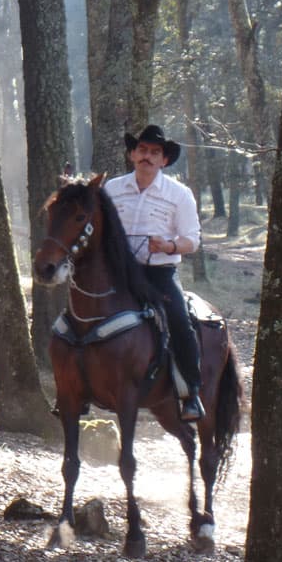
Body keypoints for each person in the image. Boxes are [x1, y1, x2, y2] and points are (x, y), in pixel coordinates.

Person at [104, 125, 205, 421]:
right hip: (118, 274)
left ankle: (190, 393)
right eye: (142, 150)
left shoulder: (179, 194)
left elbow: (193, 240)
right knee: (80, 313)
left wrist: (170, 245)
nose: (147, 156)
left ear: (164, 160)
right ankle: (75, 388)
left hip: (159, 274)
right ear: (132, 154)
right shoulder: (112, 189)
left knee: (179, 321)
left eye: (154, 152)